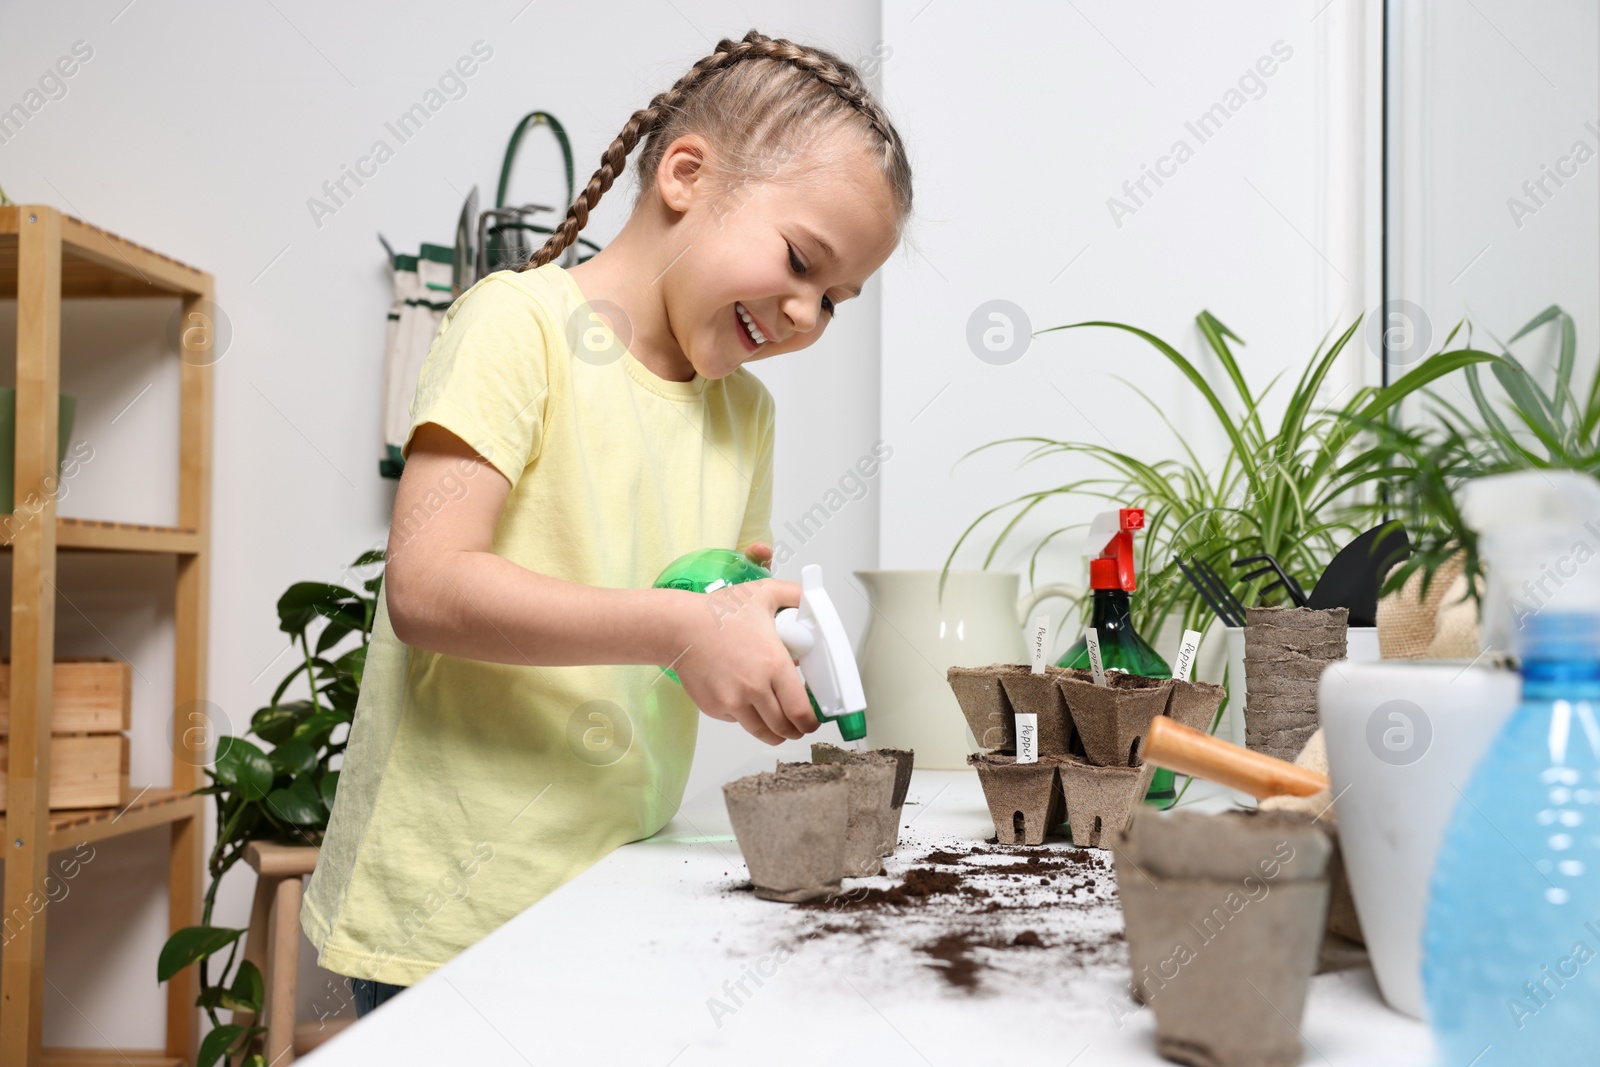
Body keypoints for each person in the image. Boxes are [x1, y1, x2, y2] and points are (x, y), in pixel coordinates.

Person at [301, 28, 913, 1017]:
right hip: (454, 907)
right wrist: (681, 628)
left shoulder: (743, 412)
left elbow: (678, 609)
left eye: (836, 300)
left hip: (616, 875)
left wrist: (732, 633)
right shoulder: (518, 327)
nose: (805, 314)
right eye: (802, 260)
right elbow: (424, 586)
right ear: (685, 174)